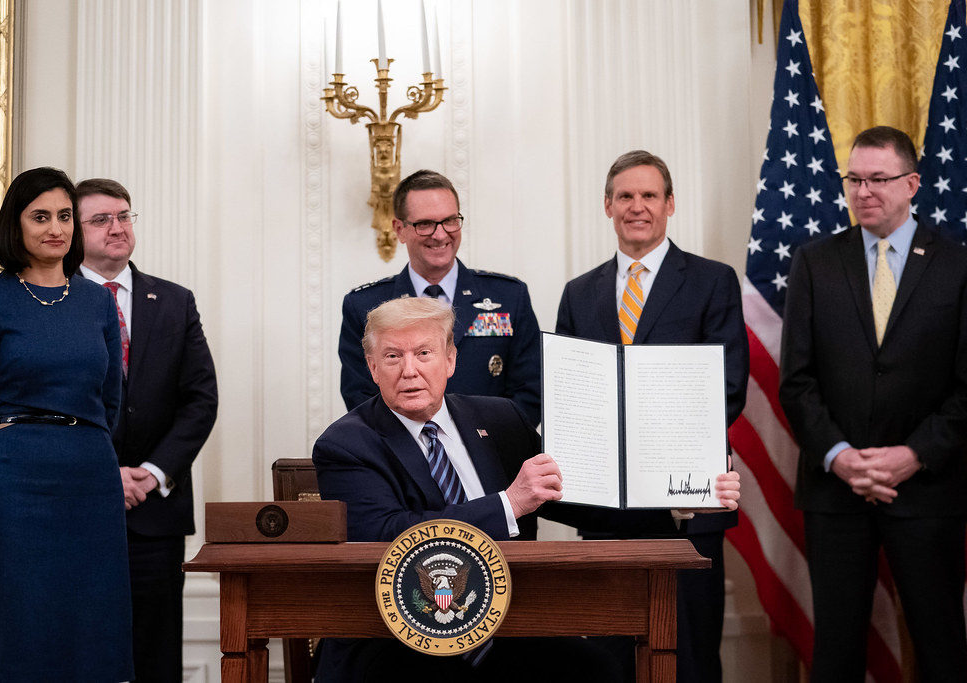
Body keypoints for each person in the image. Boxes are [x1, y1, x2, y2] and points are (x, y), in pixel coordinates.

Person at [314, 296, 741, 682]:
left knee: (598, 669)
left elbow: (575, 498)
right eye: (393, 356)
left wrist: (680, 499)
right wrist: (510, 502)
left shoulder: (500, 419)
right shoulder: (347, 443)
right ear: (372, 368)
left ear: (450, 359)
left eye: (423, 353)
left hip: (506, 626)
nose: (410, 369)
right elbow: (392, 536)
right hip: (399, 635)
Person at [779, 126, 967, 681]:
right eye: (854, 179)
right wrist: (840, 456)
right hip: (836, 492)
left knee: (942, 647)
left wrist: (912, 455)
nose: (864, 191)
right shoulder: (814, 262)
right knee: (836, 651)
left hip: (929, 489)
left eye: (879, 179)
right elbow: (796, 380)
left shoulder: (957, 266)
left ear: (911, 183)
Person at [554, 150, 749, 683]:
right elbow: (571, 394)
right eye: (625, 196)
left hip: (685, 505)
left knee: (689, 657)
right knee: (609, 659)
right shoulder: (580, 292)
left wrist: (644, 433)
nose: (636, 207)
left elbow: (728, 389)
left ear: (669, 205)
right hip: (607, 513)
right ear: (607, 206)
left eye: (649, 196)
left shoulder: (713, 281)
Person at [0, 167, 133, 680]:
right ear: (17, 225)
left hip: (91, 479)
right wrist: (0, 477)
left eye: (65, 216)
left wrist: (89, 453)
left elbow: (110, 401)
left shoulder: (97, 301)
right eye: (41, 216)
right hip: (16, 479)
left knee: (95, 618)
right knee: (24, 618)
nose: (56, 227)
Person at [75, 178, 218, 682]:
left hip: (155, 512)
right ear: (75, 231)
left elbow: (200, 400)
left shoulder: (175, 301)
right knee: (82, 651)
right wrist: (102, 474)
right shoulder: (54, 301)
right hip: (76, 507)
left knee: (155, 657)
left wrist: (152, 474)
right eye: (101, 219)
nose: (117, 228)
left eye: (124, 216)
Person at [339, 169, 543, 425]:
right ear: (399, 229)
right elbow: (360, 397)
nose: (440, 234)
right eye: (425, 224)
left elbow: (531, 392)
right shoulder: (364, 307)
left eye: (450, 220)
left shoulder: (510, 296)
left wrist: (480, 447)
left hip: (492, 454)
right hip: (400, 458)